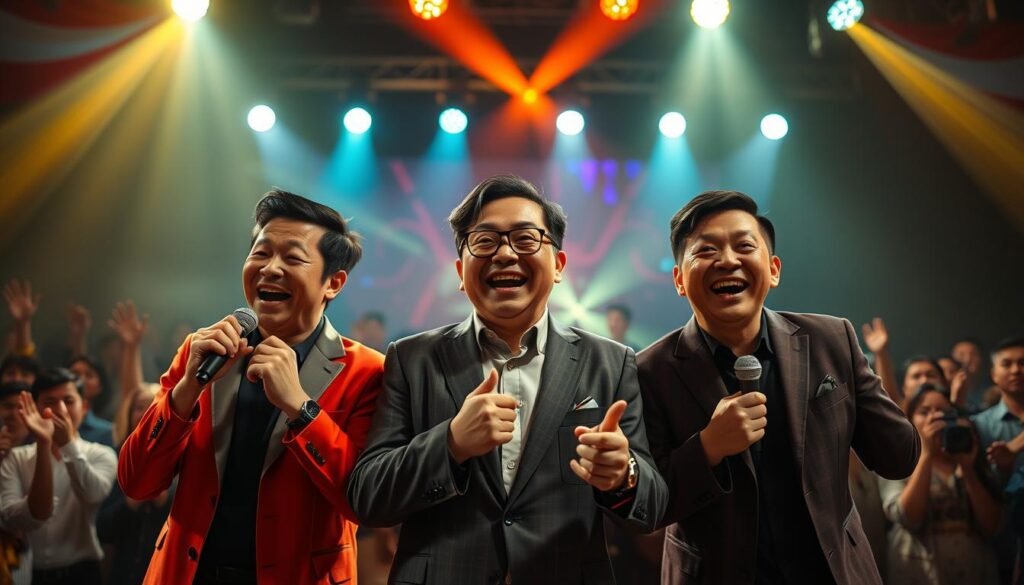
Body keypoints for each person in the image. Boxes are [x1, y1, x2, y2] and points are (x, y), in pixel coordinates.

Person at [349, 175, 667, 584]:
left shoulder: (611, 362)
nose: (504, 254)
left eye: (526, 239)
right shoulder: (412, 359)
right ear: (461, 271)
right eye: (484, 241)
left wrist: (624, 475)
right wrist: (450, 444)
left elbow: (653, 508)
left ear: (558, 266)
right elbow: (368, 498)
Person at [637, 190, 920, 584]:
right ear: (679, 279)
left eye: (743, 245)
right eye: (706, 251)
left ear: (773, 269)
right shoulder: (648, 371)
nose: (728, 260)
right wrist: (707, 448)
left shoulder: (831, 339)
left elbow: (900, 457)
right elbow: (646, 507)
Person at [117, 189, 385, 585]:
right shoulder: (201, 351)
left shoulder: (368, 372)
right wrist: (187, 389)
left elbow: (365, 502)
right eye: (261, 253)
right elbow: (138, 482)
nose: (270, 268)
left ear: (334, 283)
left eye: (292, 257)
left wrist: (301, 408)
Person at [0, 368, 118, 585]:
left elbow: (92, 495)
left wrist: (66, 445)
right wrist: (45, 444)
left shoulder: (101, 454)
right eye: (50, 401)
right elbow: (11, 517)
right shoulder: (16, 458)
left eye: (69, 400)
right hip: (29, 575)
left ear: (84, 407)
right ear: (33, 409)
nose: (60, 410)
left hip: (82, 574)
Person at [879, 383, 1000, 585]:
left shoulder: (970, 456)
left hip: (973, 573)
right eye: (924, 411)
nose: (935, 417)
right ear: (909, 418)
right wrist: (926, 453)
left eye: (943, 411)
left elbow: (991, 527)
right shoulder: (898, 461)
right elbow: (908, 517)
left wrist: (968, 468)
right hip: (917, 573)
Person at [971, 336, 1024, 583]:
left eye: (1023, 362)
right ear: (994, 374)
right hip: (999, 547)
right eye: (1007, 364)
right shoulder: (978, 426)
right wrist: (1002, 471)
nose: (1016, 370)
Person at [0, 381, 32, 585]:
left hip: (31, 553)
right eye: (7, 406)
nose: (13, 413)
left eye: (19, 406)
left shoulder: (42, 449)